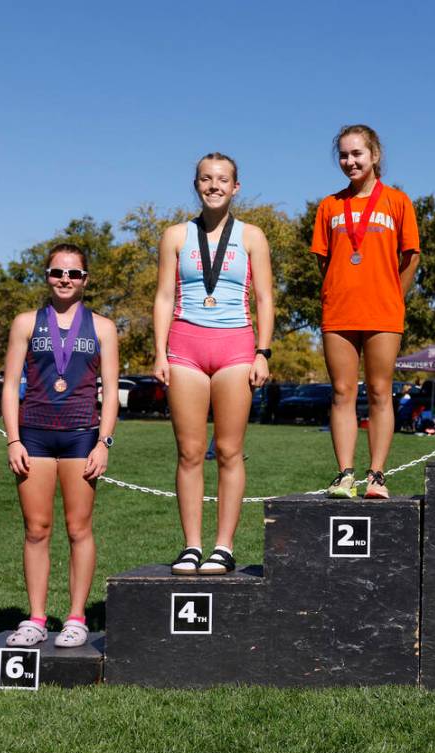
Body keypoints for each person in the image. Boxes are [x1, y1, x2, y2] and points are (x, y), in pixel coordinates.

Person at [153, 152, 274, 575]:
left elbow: (264, 299)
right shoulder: (174, 236)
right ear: (196, 184)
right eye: (206, 179)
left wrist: (263, 350)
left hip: (236, 348)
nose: (214, 185)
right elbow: (164, 297)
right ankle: (191, 545)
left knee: (228, 450)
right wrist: (159, 352)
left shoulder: (252, 236)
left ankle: (223, 546)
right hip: (185, 346)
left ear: (235, 187)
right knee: (188, 452)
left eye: (222, 179)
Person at [0, 244, 119, 647]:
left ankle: (75, 617)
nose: (65, 280)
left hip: (81, 435)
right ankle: (35, 618)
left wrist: (103, 443)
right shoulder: (25, 323)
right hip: (33, 433)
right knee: (36, 529)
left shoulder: (103, 327)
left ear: (86, 279)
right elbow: (10, 386)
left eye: (73, 274)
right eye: (57, 273)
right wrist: (13, 439)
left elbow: (111, 391)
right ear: (47, 277)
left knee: (78, 528)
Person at [312, 125, 420, 498]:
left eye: (357, 153)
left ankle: (376, 476)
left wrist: (394, 294)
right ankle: (344, 474)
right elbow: (324, 262)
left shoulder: (397, 201)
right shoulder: (329, 205)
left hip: (384, 311)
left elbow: (411, 256)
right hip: (339, 312)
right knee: (342, 392)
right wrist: (337, 291)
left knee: (379, 391)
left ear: (374, 155)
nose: (350, 161)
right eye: (343, 155)